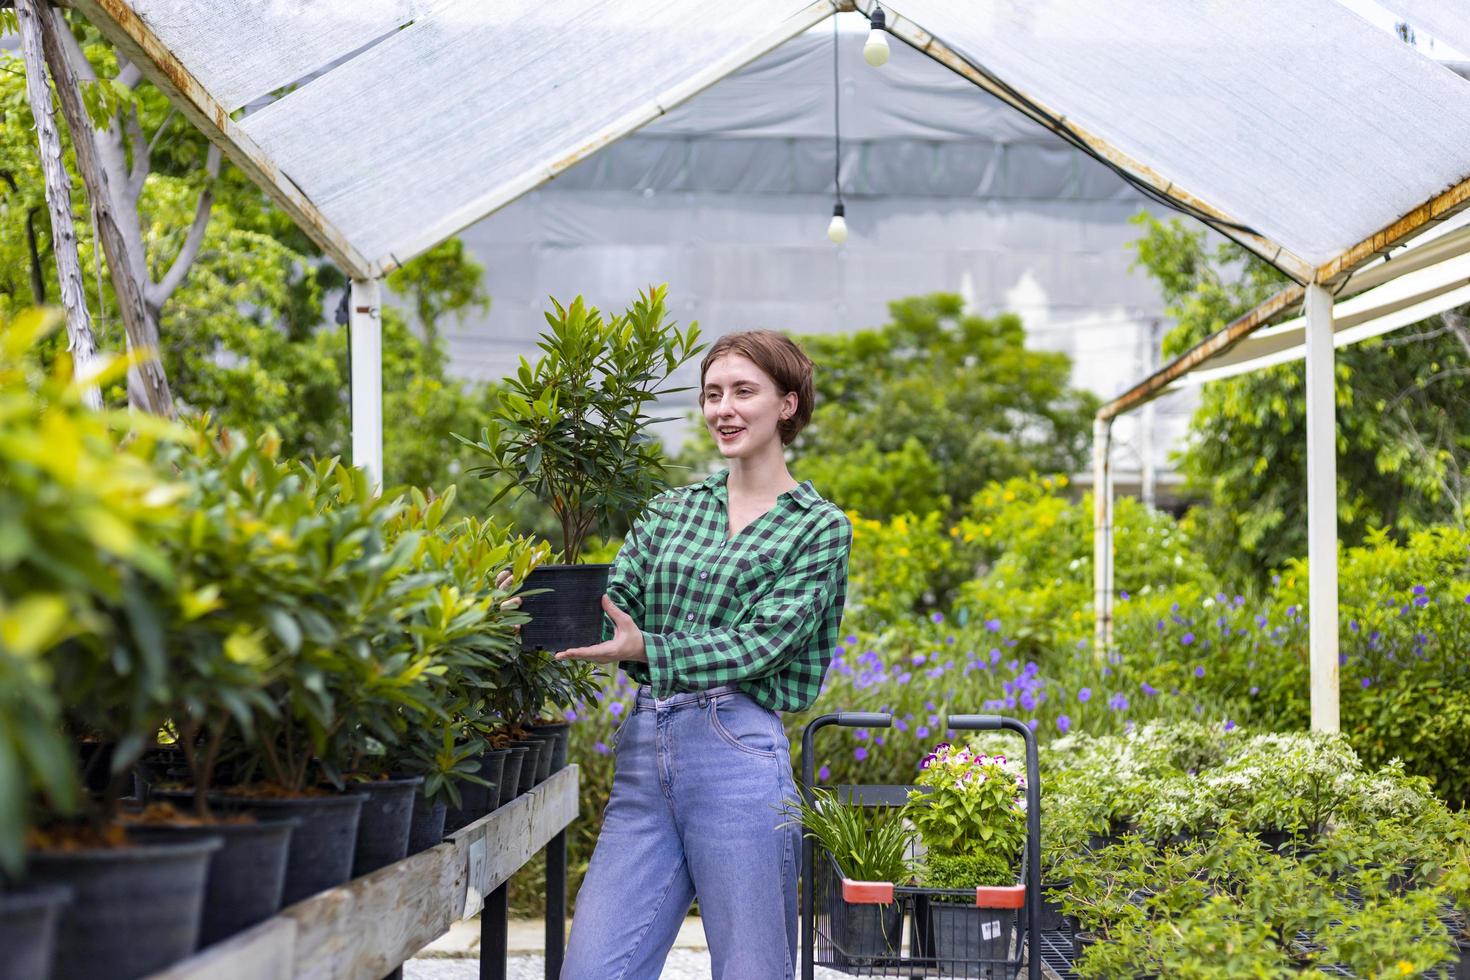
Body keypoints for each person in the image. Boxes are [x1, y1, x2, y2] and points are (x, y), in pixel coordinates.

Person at [551, 329, 853, 980]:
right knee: (594, 969)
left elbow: (762, 643)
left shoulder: (818, 527)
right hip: (645, 750)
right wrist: (533, 599)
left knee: (751, 971)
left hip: (738, 756)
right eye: (712, 393)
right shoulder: (670, 512)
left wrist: (647, 645)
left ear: (788, 404)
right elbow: (619, 595)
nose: (724, 408)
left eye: (744, 391)